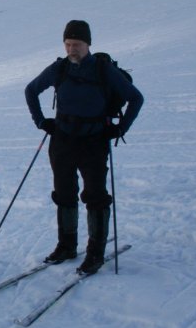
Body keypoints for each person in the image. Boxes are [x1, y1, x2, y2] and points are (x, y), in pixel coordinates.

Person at [25, 20, 144, 275]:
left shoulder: (103, 70)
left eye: (76, 44)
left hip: (94, 141)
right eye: (67, 44)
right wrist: (41, 121)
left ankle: (95, 253)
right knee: (64, 193)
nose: (71, 49)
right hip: (63, 140)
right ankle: (66, 245)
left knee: (95, 196)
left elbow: (136, 98)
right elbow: (31, 90)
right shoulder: (59, 68)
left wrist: (122, 128)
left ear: (88, 44)